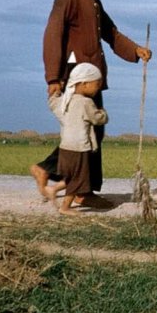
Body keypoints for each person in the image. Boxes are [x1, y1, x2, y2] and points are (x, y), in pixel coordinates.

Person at [30, 0, 152, 207]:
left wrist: (135, 50)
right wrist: (53, 77)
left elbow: (110, 33)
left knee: (90, 130)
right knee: (89, 129)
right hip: (77, 75)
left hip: (91, 75)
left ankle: (53, 173)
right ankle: (81, 190)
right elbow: (53, 33)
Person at [45, 63, 108, 215]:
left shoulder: (64, 102)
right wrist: (103, 113)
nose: (98, 88)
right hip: (80, 148)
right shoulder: (86, 103)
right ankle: (65, 207)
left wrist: (56, 92)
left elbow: (53, 104)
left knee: (71, 176)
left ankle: (53, 189)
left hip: (65, 148)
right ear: (84, 84)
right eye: (96, 84)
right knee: (78, 179)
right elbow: (97, 119)